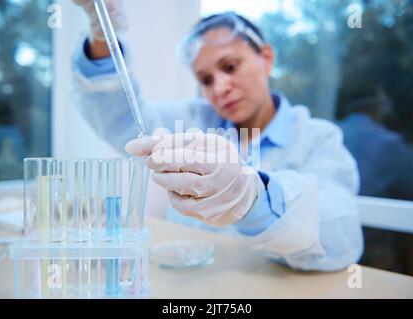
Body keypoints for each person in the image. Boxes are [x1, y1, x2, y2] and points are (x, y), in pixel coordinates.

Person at [71, 0, 363, 271]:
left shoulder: (317, 138)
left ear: (266, 58)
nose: (220, 88)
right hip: (192, 285)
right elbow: (118, 116)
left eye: (230, 66)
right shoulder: (195, 122)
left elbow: (341, 238)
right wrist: (103, 31)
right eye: (206, 80)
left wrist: (251, 197)